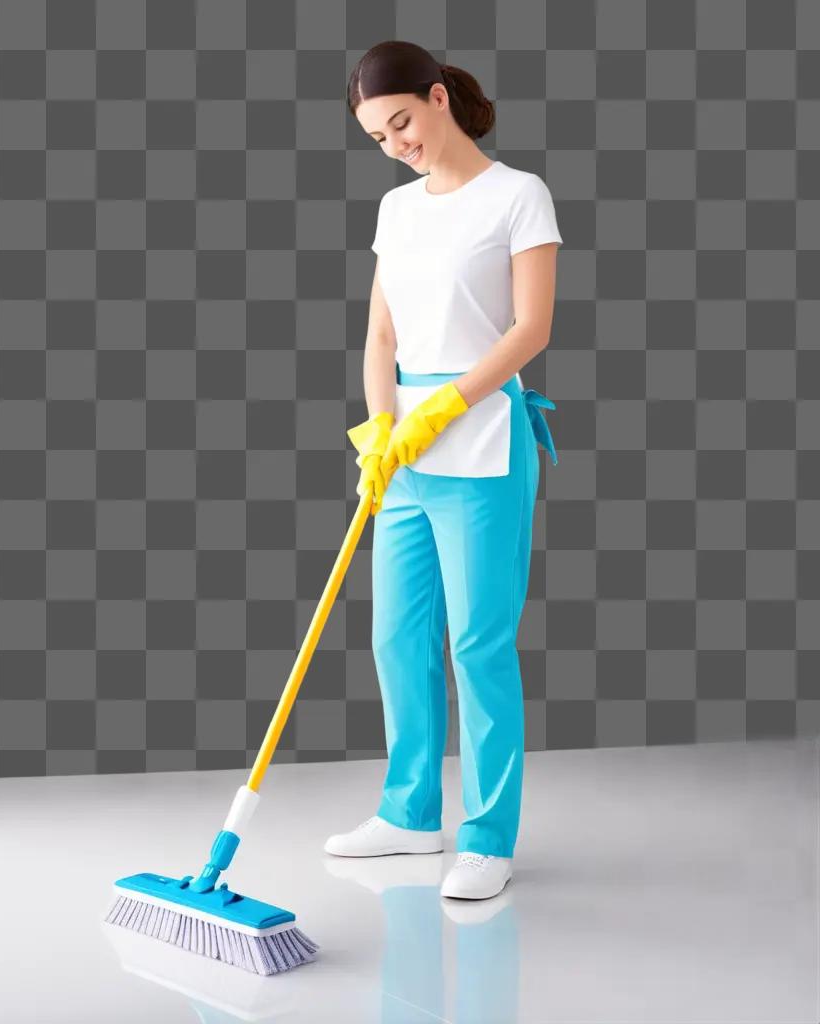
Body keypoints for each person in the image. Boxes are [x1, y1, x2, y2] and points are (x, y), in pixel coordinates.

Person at [325, 41, 562, 901]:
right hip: (406, 450)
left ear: (437, 98)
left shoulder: (518, 197)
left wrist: (442, 407)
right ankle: (409, 812)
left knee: (478, 645)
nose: (395, 145)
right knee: (396, 636)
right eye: (378, 137)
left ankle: (488, 837)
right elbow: (381, 337)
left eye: (401, 123)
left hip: (483, 442)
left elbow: (529, 330)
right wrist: (384, 428)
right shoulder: (398, 211)